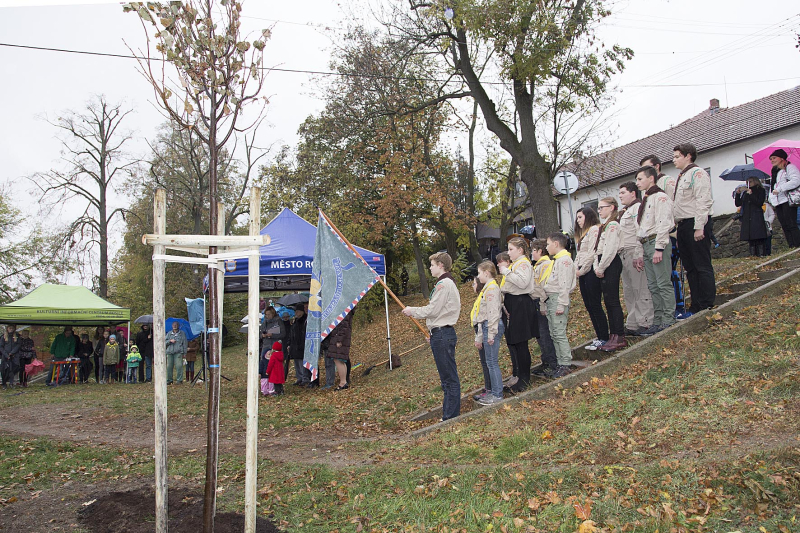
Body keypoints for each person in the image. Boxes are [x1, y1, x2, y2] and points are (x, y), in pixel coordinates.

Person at [402, 251, 462, 421]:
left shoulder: (444, 284)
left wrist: (411, 311)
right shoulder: (445, 283)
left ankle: (450, 417)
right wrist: (433, 333)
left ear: (440, 265)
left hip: (443, 333)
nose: (430, 268)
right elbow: (439, 312)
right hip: (440, 333)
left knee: (449, 379)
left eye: (432, 265)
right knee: (446, 378)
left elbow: (432, 310)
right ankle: (448, 414)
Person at [672, 143, 716, 316]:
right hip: (683, 225)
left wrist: (699, 227)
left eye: (677, 156)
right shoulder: (682, 176)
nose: (674, 160)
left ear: (688, 155)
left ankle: (706, 302)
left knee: (701, 265)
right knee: (690, 267)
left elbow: (703, 200)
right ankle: (696, 303)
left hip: (695, 223)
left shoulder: (698, 173)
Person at [635, 166, 676, 335]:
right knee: (653, 284)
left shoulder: (660, 197)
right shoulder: (647, 199)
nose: (637, 183)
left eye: (640, 179)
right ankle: (658, 319)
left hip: (657, 243)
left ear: (651, 178)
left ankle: (668, 318)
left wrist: (659, 248)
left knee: (663, 282)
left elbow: (663, 223)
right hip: (646, 243)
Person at [498, 237, 537, 392]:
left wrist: (507, 272)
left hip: (521, 303)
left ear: (520, 250)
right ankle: (520, 376)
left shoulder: (524, 263)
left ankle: (525, 379)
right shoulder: (516, 264)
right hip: (513, 303)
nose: (508, 253)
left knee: (521, 343)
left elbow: (522, 283)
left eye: (511, 249)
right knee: (517, 342)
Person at [618, 181, 654, 336]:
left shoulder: (637, 208)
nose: (620, 196)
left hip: (633, 251)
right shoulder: (625, 211)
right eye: (619, 193)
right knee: (629, 290)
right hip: (624, 253)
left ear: (633, 193)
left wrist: (639, 254)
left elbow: (640, 231)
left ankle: (645, 322)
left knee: (640, 289)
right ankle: (633, 323)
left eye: (623, 193)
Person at [592, 198, 627, 352]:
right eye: (598, 208)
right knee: (608, 300)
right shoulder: (605, 226)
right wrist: (596, 266)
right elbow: (597, 250)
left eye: (602, 208)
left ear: (612, 208)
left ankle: (619, 335)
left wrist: (601, 267)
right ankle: (613, 334)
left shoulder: (613, 225)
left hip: (610, 263)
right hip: (602, 262)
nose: (599, 211)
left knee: (612, 301)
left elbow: (610, 250)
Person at [541, 233, 577, 378]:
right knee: (554, 333)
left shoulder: (564, 261)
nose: (546, 247)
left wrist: (562, 304)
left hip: (558, 299)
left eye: (548, 244)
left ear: (556, 244)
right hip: (552, 298)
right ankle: (560, 363)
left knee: (559, 333)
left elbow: (564, 285)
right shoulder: (558, 260)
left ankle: (565, 363)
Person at [471, 261, 504, 405]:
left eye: (479, 273)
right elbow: (481, 314)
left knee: (492, 362)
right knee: (489, 361)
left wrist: (491, 333)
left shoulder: (491, 289)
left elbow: (492, 313)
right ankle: (492, 392)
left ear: (486, 272)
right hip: (486, 326)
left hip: (491, 326)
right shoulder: (487, 289)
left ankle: (497, 394)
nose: (478, 277)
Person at [574, 207, 606, 351]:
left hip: (590, 272)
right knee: (589, 305)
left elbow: (592, 252)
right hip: (582, 272)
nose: (578, 220)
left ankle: (604, 336)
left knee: (595, 304)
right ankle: (599, 336)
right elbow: (580, 254)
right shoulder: (583, 234)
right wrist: (575, 269)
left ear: (587, 216)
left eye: (580, 217)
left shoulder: (594, 230)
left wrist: (582, 270)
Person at [530, 239, 558, 377]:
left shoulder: (546, 265)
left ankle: (553, 363)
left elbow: (542, 286)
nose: (532, 253)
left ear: (540, 251)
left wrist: (542, 303)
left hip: (542, 302)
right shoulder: (538, 265)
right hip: (536, 302)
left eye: (533, 251)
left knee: (545, 334)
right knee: (540, 335)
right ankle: (546, 361)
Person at [768, 149, 800, 247]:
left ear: (782, 158)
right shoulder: (775, 171)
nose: (772, 160)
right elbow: (772, 186)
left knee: (791, 224)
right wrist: (771, 198)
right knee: (784, 225)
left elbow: (796, 180)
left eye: (774, 158)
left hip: (788, 200)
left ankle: (797, 245)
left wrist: (781, 189)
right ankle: (791, 245)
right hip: (778, 202)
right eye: (771, 159)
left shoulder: (790, 168)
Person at [734, 178, 769, 257]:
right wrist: (738, 194)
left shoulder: (760, 190)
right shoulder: (746, 192)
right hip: (747, 216)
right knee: (751, 238)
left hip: (756, 216)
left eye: (750, 181)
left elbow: (759, 202)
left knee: (758, 236)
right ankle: (753, 255)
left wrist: (751, 194)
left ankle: (761, 254)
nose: (748, 183)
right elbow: (738, 203)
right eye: (747, 182)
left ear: (755, 181)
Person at [325, 310, 354, 391]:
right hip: (338, 337)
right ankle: (344, 381)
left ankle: (343, 382)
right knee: (340, 360)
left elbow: (344, 326)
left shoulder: (344, 310)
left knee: (338, 360)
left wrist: (339, 339)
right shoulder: (346, 310)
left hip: (338, 338)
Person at [288, 304, 310, 387]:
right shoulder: (295, 321)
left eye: (298, 311)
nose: (296, 313)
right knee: (297, 363)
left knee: (302, 362)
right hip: (294, 344)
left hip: (301, 344)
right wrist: (289, 344)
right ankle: (299, 378)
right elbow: (291, 333)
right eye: (296, 311)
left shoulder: (304, 320)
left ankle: (305, 378)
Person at [0, 325, 22, 389]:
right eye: (10, 328)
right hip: (5, 356)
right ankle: (4, 384)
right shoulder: (3, 336)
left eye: (12, 328)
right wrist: (6, 355)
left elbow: (18, 345)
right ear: (7, 329)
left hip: (14, 356)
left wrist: (12, 353)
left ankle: (11, 383)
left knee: (13, 370)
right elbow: (1, 347)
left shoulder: (17, 336)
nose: (11, 329)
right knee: (4, 370)